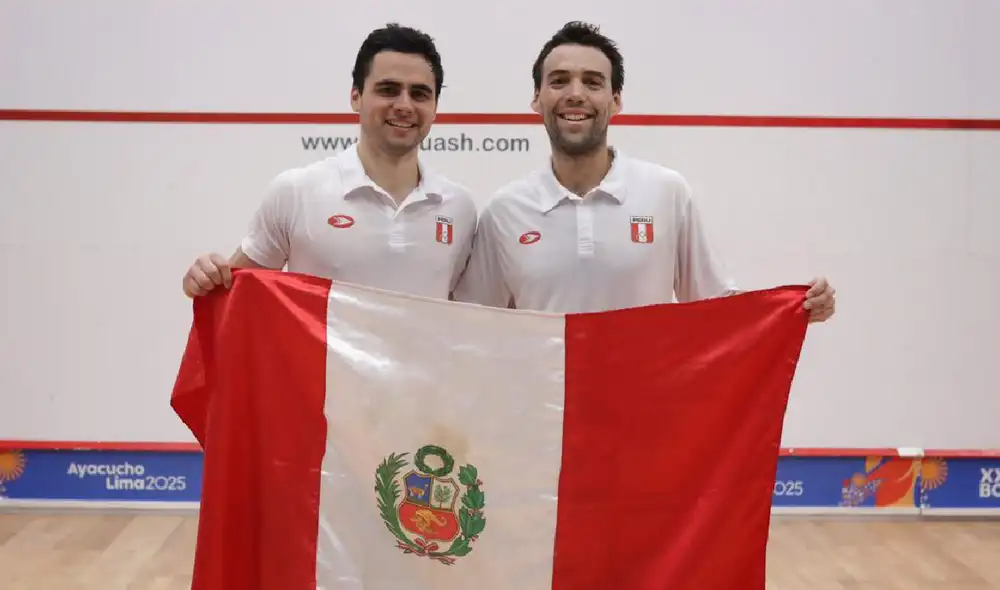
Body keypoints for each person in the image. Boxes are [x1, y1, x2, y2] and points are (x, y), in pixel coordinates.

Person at [453, 21, 836, 322]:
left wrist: (794, 309)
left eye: (592, 82)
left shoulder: (666, 192)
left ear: (615, 100)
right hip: (545, 417)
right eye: (559, 81)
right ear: (537, 99)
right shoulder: (505, 210)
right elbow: (472, 325)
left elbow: (717, 311)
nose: (575, 94)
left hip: (644, 417)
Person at [182, 24, 478, 301]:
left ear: (435, 107)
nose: (404, 105)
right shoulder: (296, 192)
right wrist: (205, 279)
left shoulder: (460, 208)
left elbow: (464, 323)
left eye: (419, 94)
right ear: (356, 97)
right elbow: (234, 297)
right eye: (388, 90)